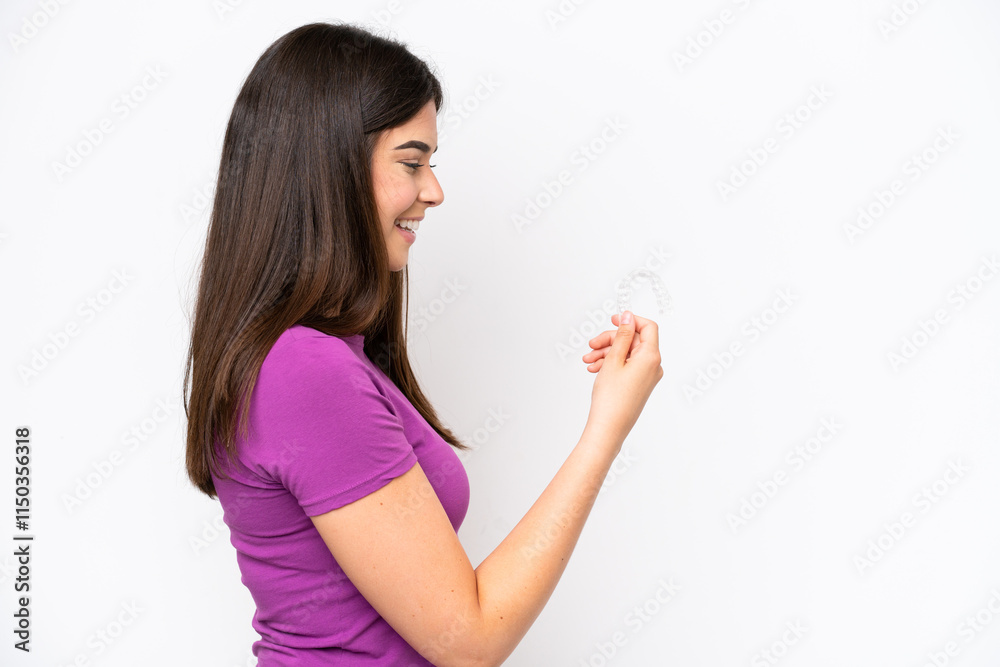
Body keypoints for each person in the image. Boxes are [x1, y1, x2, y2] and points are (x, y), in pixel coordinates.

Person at [182, 21, 663, 667]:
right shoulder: (304, 370)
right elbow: (471, 639)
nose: (433, 191)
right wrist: (606, 429)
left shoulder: (321, 356)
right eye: (412, 163)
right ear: (328, 170)